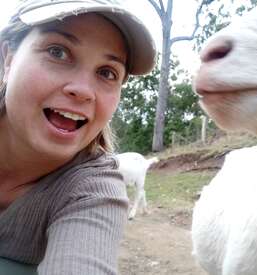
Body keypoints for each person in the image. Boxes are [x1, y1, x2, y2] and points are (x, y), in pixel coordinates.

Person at [0, 0, 156, 274]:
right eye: (57, 52)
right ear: (8, 59)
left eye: (107, 73)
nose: (83, 90)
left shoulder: (94, 190)